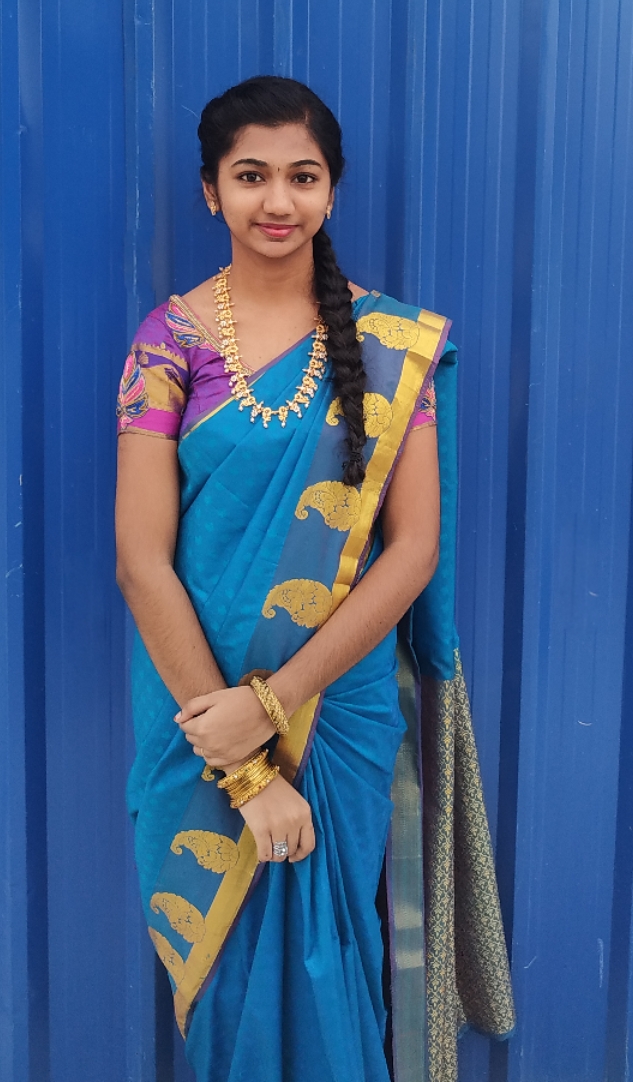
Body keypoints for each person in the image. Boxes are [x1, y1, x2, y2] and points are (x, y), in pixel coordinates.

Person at [115, 75, 514, 1082]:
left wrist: (276, 702)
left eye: (302, 176)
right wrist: (245, 767)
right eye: (250, 175)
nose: (277, 200)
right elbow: (140, 560)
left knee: (333, 961)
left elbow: (412, 550)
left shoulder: (388, 346)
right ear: (210, 190)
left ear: (331, 190)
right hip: (195, 712)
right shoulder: (169, 342)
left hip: (333, 706)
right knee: (226, 989)